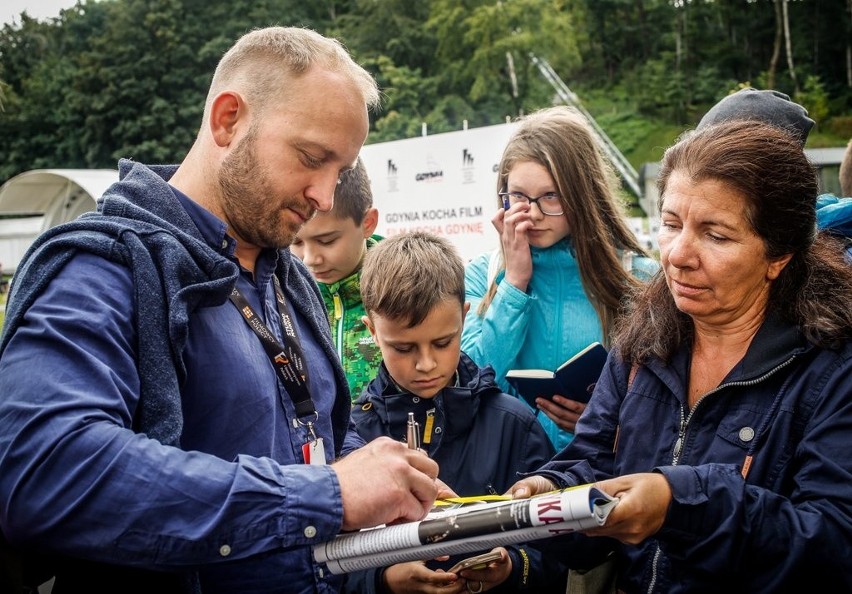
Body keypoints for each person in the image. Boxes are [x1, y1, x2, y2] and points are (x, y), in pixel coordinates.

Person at [0, 26, 441, 594]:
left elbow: (313, 445)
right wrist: (327, 495)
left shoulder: (289, 278)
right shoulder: (106, 267)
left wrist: (388, 498)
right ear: (228, 119)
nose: (325, 197)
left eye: (342, 172)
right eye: (312, 158)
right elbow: (42, 470)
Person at [508, 120, 852, 592]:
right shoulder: (642, 345)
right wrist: (550, 495)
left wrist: (682, 504)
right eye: (671, 225)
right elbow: (595, 462)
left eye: (716, 235)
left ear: (779, 255)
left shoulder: (832, 369)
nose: (678, 255)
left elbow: (832, 543)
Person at [348, 231, 564, 594]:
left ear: (464, 318)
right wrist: (382, 581)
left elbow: (556, 559)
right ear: (372, 331)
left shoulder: (515, 424)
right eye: (403, 347)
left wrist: (511, 568)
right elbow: (327, 565)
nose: (426, 363)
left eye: (443, 342)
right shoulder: (354, 436)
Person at [461, 105, 658, 451]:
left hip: (599, 478)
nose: (533, 214)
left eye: (550, 196)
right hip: (511, 476)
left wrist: (607, 423)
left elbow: (664, 405)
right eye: (519, 197)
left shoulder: (638, 278)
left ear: (583, 194)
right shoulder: (482, 274)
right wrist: (514, 284)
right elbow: (471, 378)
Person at [291, 157, 383, 400]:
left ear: (367, 223)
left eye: (327, 241)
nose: (310, 259)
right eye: (296, 242)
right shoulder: (283, 299)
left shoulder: (400, 290)